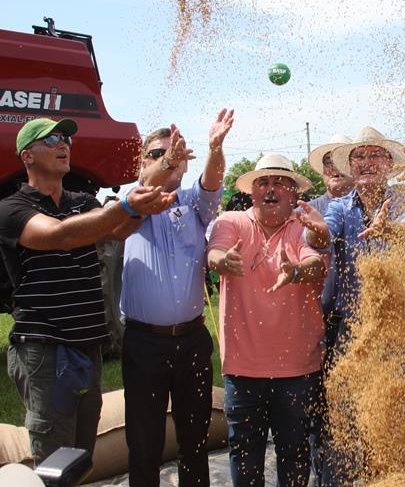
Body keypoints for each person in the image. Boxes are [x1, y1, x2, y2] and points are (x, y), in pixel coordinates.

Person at [0, 118, 173, 464]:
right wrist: (127, 207)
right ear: (27, 155)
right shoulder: (11, 208)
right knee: (53, 461)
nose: (64, 144)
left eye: (66, 138)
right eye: (51, 139)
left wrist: (163, 170)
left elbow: (119, 229)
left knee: (80, 456)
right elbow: (59, 236)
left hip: (87, 346)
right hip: (46, 349)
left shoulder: (82, 202)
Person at [119, 108, 234, 487]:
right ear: (143, 163)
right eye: (156, 154)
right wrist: (166, 162)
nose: (168, 159)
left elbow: (213, 180)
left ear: (186, 165)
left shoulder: (194, 204)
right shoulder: (130, 201)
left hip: (192, 342)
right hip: (144, 343)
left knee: (195, 440)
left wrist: (215, 147)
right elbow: (138, 197)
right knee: (145, 442)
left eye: (175, 154)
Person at [208, 153, 330, 487]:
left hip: (298, 371)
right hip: (243, 369)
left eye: (280, 182)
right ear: (252, 191)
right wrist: (222, 259)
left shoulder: (301, 228)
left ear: (294, 193)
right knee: (245, 458)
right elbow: (215, 253)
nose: (271, 189)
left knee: (295, 456)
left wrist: (296, 272)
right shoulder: (231, 222)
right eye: (264, 182)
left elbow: (316, 264)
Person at [304, 126, 405, 486]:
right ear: (350, 167)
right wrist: (316, 233)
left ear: (389, 163)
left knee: (390, 416)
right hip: (348, 329)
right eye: (358, 157)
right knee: (343, 415)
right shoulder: (338, 208)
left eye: (373, 155)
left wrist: (391, 230)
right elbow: (321, 232)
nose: (366, 163)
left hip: (395, 330)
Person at [305, 134, 353, 486]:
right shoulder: (309, 210)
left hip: (355, 325)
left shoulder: (368, 204)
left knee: (350, 408)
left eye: (339, 159)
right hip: (312, 323)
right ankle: (324, 476)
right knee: (315, 406)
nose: (333, 167)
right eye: (327, 162)